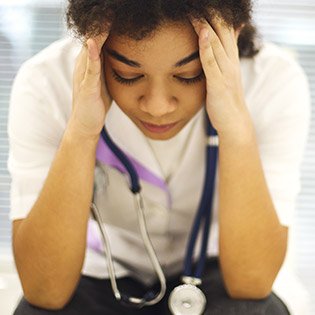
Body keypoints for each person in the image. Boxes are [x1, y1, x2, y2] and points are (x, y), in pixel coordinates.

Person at [8, 0, 310, 314]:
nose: (157, 106)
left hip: (216, 274)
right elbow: (44, 290)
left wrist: (235, 125)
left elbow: (251, 282)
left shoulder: (273, 82)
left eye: (189, 74)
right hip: (102, 276)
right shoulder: (45, 84)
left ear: (230, 37)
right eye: (127, 75)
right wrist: (82, 131)